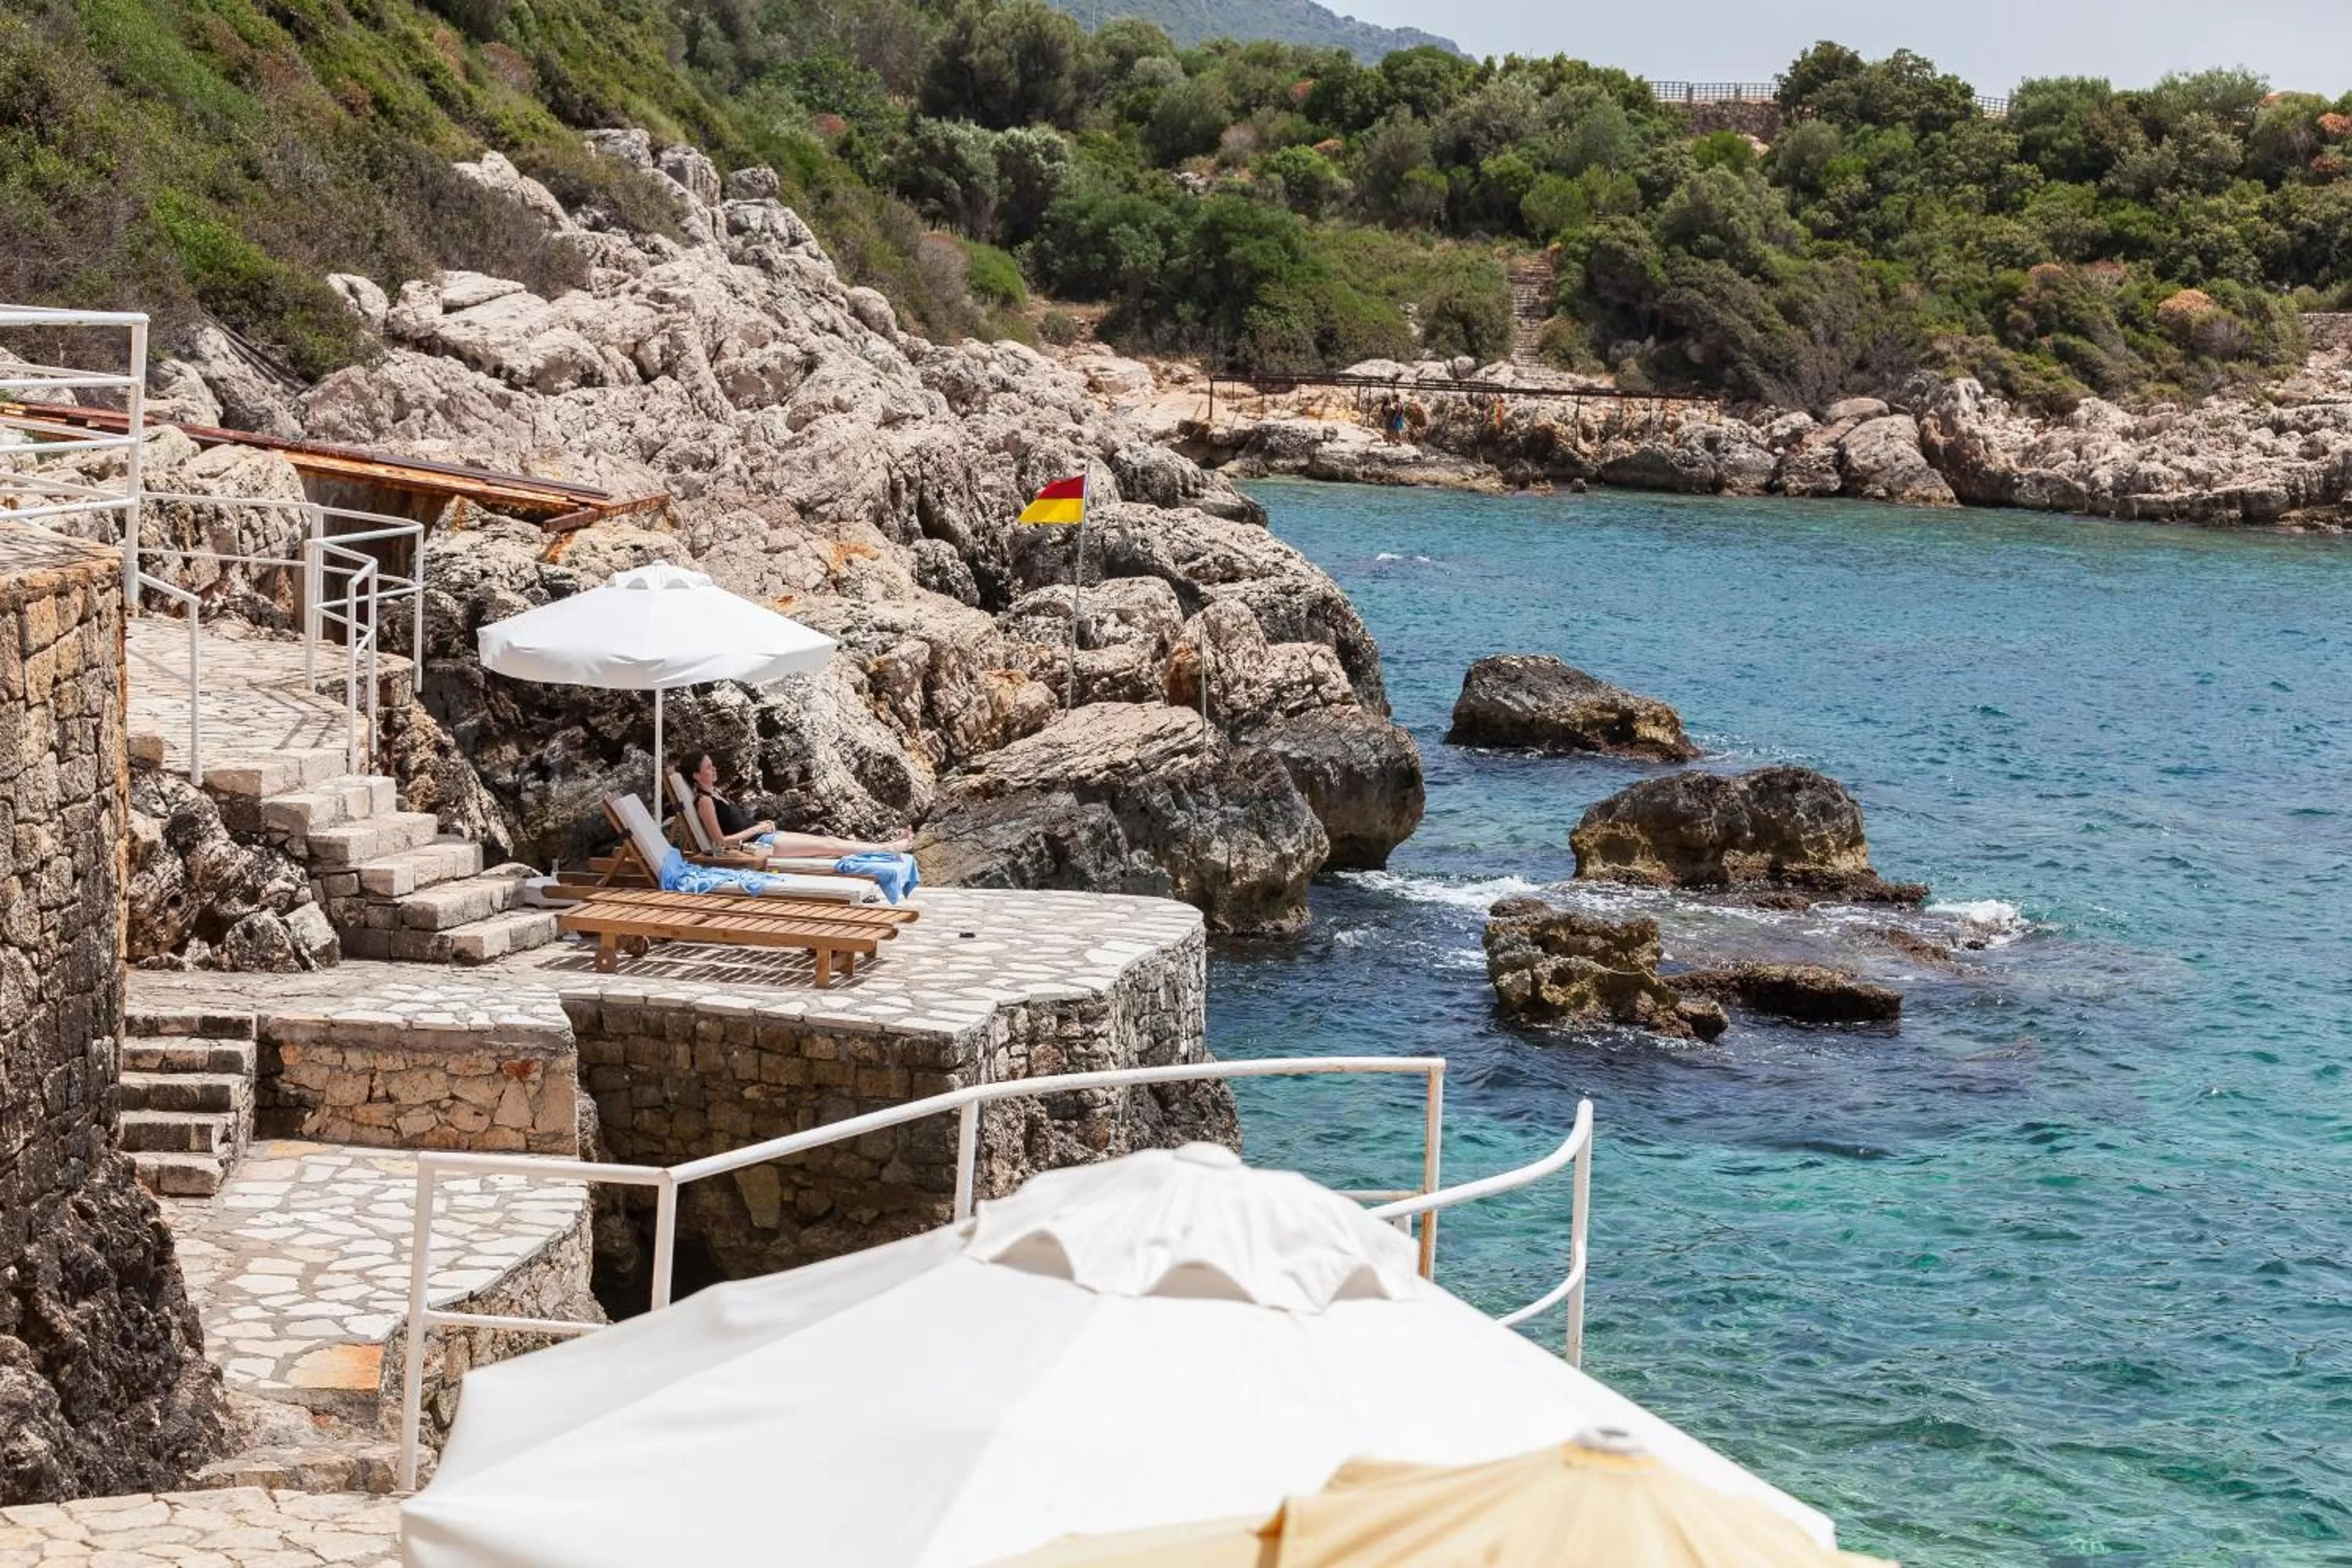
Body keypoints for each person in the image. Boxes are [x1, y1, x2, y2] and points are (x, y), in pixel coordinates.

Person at [687, 753, 910, 857]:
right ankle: (888, 849)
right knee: (831, 847)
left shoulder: (716, 794)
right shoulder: (705, 801)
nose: (714, 769)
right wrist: (759, 828)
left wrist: (762, 826)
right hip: (759, 845)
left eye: (713, 765)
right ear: (696, 775)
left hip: (764, 837)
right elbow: (721, 842)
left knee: (829, 844)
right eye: (708, 767)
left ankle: (888, 845)